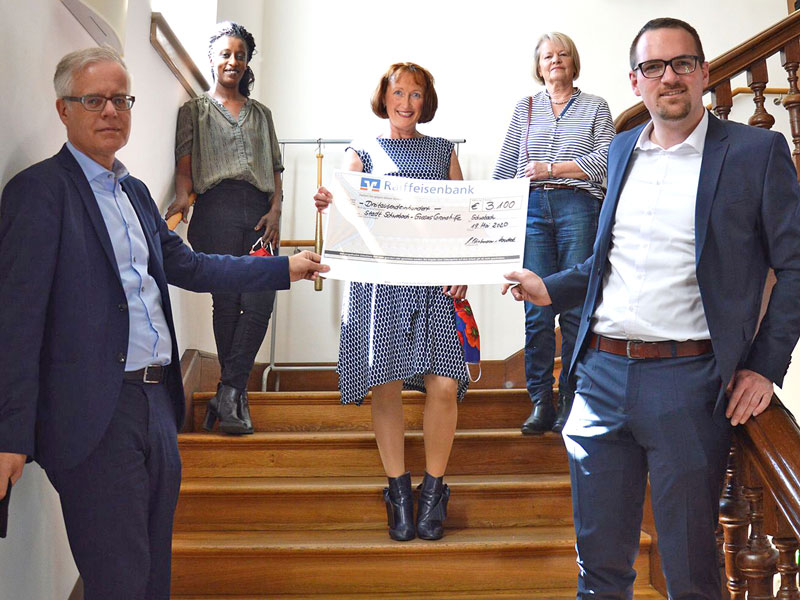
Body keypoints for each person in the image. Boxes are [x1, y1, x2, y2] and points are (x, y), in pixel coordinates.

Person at [0, 47, 326, 600]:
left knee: (153, 578)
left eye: (121, 99)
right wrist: (10, 434)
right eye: (94, 100)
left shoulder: (134, 193)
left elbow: (190, 265)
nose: (110, 111)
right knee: (119, 581)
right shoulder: (39, 192)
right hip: (93, 416)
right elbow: (17, 320)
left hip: (158, 404)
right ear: (63, 109)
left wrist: (282, 269)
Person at [503, 17, 800, 598]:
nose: (669, 77)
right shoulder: (619, 151)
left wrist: (766, 365)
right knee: (601, 572)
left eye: (683, 63)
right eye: (654, 67)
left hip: (688, 384)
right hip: (599, 378)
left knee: (691, 574)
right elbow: (606, 264)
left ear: (705, 73)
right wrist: (551, 287)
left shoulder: (756, 152)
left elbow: (794, 266)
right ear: (634, 81)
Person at [313, 62, 469, 542]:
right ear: (384, 96)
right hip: (379, 284)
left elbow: (462, 216)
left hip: (432, 281)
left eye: (415, 94)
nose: (405, 102)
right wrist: (328, 201)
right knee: (386, 384)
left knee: (444, 385)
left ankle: (434, 491)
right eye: (397, 92)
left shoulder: (444, 152)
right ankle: (398, 491)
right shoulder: (362, 149)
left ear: (426, 102)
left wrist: (464, 268)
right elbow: (344, 204)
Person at [493, 32, 615, 435]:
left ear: (573, 61)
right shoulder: (524, 108)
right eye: (548, 55)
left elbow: (607, 159)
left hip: (578, 207)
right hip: (530, 211)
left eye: (562, 54)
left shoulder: (596, 106)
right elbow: (505, 167)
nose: (555, 60)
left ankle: (571, 397)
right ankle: (541, 401)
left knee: (577, 308)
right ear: (539, 65)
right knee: (536, 308)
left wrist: (553, 168)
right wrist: (491, 225)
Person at [166, 21, 283, 435]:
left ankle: (228, 390)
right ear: (213, 60)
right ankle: (233, 397)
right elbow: (185, 166)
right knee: (227, 301)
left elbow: (274, 170)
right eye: (225, 54)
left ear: (247, 62)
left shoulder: (262, 114)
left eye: (240, 55)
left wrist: (276, 210)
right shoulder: (193, 111)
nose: (232, 61)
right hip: (214, 211)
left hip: (258, 213)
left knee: (260, 301)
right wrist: (182, 198)